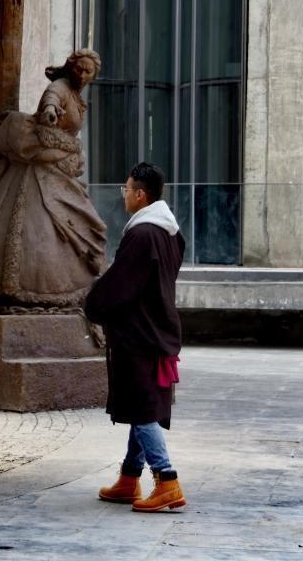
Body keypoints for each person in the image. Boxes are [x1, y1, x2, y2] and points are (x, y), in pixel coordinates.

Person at [0, 50, 107, 315]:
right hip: (35, 168)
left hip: (59, 171)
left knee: (77, 224)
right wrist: (49, 111)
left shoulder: (77, 96)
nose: (82, 74)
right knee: (6, 227)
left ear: (94, 75)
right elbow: (51, 100)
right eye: (79, 69)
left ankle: (62, 291)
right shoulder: (60, 87)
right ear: (71, 68)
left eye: (88, 71)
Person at [84, 163, 187, 512]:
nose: (124, 195)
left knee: (142, 410)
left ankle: (167, 480)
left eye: (126, 189)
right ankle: (130, 478)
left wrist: (93, 304)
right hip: (158, 329)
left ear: (141, 195)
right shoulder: (171, 233)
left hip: (139, 335)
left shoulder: (143, 234)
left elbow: (122, 284)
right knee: (142, 404)